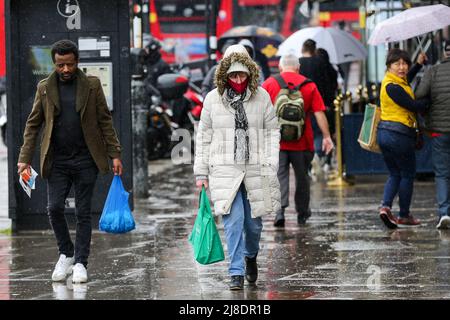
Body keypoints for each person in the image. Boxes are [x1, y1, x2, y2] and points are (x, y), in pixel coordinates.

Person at [17, 40, 123, 283]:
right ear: (54, 63)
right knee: (54, 208)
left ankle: (80, 263)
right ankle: (66, 252)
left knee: (83, 213)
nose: (65, 69)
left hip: (86, 159)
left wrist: (114, 153)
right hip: (57, 161)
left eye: (70, 64)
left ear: (77, 62)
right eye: (60, 65)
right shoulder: (44, 88)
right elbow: (33, 125)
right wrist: (24, 159)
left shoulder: (92, 86)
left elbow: (105, 121)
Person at [194, 44, 281, 290]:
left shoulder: (261, 96)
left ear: (250, 72)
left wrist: (271, 162)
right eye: (233, 75)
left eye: (242, 74)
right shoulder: (212, 99)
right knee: (233, 221)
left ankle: (250, 256)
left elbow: (271, 132)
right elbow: (204, 137)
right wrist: (201, 173)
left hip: (257, 169)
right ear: (225, 74)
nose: (238, 79)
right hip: (225, 169)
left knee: (254, 225)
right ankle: (235, 272)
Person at [262, 54, 334, 227]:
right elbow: (319, 113)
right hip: (303, 141)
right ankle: (302, 212)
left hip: (276, 141)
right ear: (298, 68)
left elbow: (259, 113)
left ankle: (279, 212)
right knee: (302, 177)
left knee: (279, 175)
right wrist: (326, 137)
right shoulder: (309, 85)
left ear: (280, 68)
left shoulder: (269, 84)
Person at [377, 48, 428, 229]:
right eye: (397, 64)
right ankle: (404, 215)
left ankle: (385, 207)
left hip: (385, 134)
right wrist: (431, 100)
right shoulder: (393, 87)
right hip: (398, 135)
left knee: (394, 173)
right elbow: (412, 105)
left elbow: (407, 79)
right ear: (388, 66)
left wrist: (418, 64)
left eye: (404, 63)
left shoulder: (392, 82)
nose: (402, 67)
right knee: (407, 174)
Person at [415, 40, 450, 229]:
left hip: (439, 131)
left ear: (445, 53)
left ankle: (445, 213)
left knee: (443, 174)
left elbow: (419, 95)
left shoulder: (433, 71)